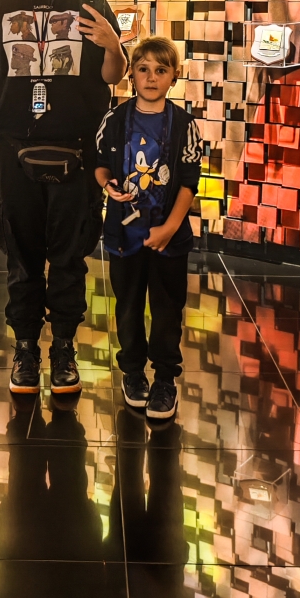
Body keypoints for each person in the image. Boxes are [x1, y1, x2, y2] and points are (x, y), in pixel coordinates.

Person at [0, 0, 128, 395]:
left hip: (78, 146)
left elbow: (113, 76)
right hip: (13, 144)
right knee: (21, 253)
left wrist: (114, 46)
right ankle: (24, 349)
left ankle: (62, 347)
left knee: (69, 255)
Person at [95, 36, 202, 421]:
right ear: (132, 75)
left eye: (161, 70)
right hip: (125, 236)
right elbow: (100, 165)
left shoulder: (184, 125)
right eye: (143, 69)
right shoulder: (114, 119)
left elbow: (189, 182)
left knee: (167, 308)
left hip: (167, 238)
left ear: (174, 76)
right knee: (127, 307)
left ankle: (165, 379)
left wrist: (170, 228)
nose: (151, 77)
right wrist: (107, 185)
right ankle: (134, 372)